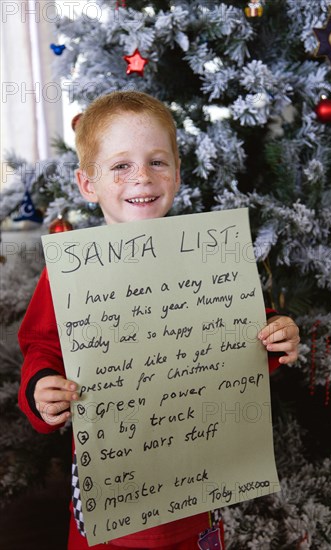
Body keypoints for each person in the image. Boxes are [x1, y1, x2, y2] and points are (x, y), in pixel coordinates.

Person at [18, 91, 300, 550]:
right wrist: (41, 387)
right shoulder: (68, 272)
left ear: (178, 172)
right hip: (111, 496)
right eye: (121, 166)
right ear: (88, 184)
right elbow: (40, 348)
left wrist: (276, 334)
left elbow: (247, 332)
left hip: (197, 488)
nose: (142, 178)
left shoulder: (210, 257)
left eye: (157, 161)